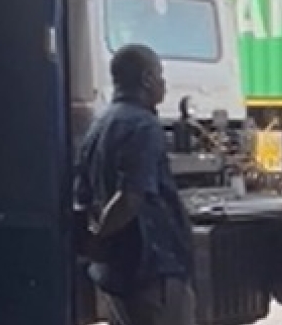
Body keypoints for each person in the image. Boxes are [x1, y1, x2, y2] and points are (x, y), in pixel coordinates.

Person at [74, 44, 196, 325]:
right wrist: (102, 236)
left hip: (115, 276)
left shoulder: (98, 125)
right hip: (151, 274)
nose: (164, 83)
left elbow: (83, 195)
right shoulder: (143, 126)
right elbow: (130, 197)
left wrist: (96, 247)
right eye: (160, 75)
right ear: (147, 79)